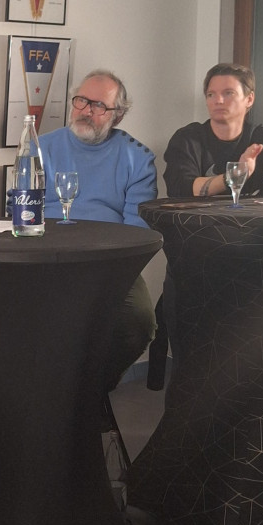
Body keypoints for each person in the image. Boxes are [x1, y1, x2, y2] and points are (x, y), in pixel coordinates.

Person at [37, 70, 158, 391]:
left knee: (138, 323)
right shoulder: (40, 148)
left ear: (118, 115)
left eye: (98, 106)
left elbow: (137, 232)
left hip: (109, 263)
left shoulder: (139, 158)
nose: (86, 110)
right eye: (81, 101)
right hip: (44, 258)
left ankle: (87, 395)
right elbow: (20, 211)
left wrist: (106, 269)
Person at [164, 63, 263, 200]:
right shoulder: (187, 138)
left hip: (254, 220)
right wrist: (234, 175)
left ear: (249, 99)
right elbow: (180, 189)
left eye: (228, 93)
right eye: (211, 95)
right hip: (200, 220)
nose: (219, 101)